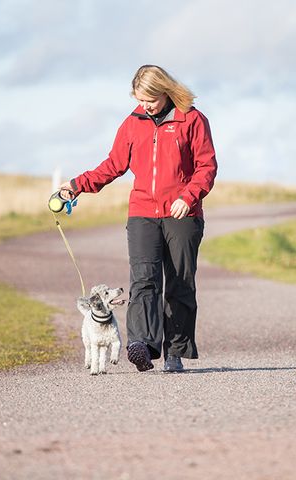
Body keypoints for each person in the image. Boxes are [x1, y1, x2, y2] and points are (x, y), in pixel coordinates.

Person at [59, 65, 217, 372]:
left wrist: (188, 196)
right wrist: (77, 185)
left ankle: (174, 351)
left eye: (151, 100)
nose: (145, 106)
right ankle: (142, 344)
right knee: (144, 281)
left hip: (182, 214)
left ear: (165, 92)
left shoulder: (192, 119)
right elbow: (113, 165)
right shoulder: (132, 123)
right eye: (140, 100)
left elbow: (207, 166)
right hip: (143, 212)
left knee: (179, 283)